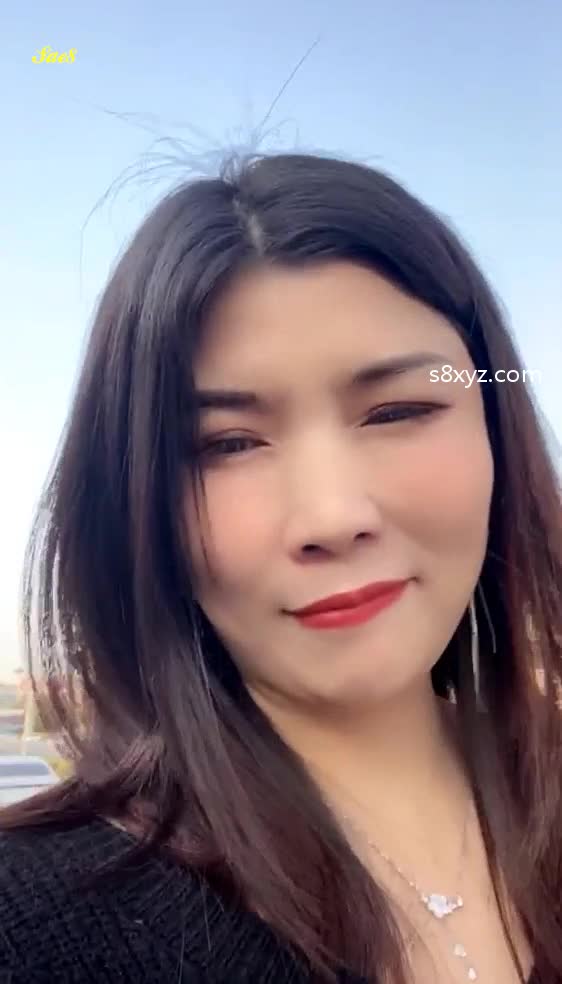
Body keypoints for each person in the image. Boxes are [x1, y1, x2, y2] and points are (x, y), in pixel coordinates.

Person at [0, 151, 560, 984]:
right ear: (136, 505)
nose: (332, 517)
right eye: (228, 445)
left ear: (496, 430)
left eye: (397, 410)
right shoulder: (37, 930)